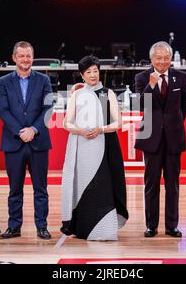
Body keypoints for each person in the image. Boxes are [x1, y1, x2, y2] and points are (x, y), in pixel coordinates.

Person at [61, 55, 128, 241]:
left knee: (106, 185)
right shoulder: (77, 94)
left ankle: (106, 228)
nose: (93, 75)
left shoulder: (109, 93)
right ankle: (82, 227)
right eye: (88, 72)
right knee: (84, 186)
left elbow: (119, 123)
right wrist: (81, 131)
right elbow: (66, 123)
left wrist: (101, 129)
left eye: (95, 71)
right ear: (82, 75)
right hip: (82, 148)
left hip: (107, 146)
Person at [0, 41, 53, 240]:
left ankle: (42, 226)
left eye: (28, 56)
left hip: (38, 142)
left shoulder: (44, 80)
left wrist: (34, 129)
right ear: (14, 58)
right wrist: (21, 131)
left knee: (41, 189)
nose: (25, 60)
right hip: (14, 142)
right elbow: (3, 110)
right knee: (15, 189)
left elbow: (48, 109)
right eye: (21, 56)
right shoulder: (3, 81)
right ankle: (14, 226)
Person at [134, 41, 186, 238]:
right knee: (151, 184)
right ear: (151, 59)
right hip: (151, 138)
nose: (163, 61)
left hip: (174, 137)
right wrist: (151, 84)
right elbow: (140, 104)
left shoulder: (181, 77)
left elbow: (184, 107)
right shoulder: (141, 77)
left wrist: (171, 125)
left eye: (166, 58)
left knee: (172, 184)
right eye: (158, 58)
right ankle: (151, 225)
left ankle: (172, 225)